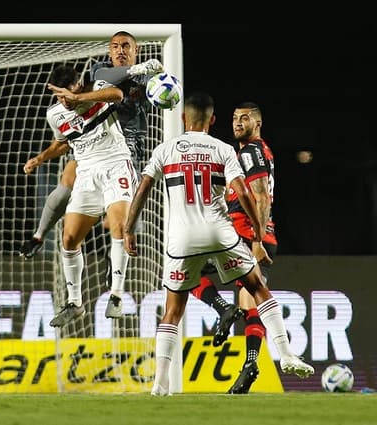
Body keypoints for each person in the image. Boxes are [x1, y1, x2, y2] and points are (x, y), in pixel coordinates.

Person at [123, 91, 314, 396]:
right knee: (258, 289)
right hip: (221, 234)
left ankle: (160, 384)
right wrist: (258, 235)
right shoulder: (224, 149)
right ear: (212, 120)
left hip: (181, 238)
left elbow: (143, 190)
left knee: (172, 311)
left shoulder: (165, 149)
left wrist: (128, 229)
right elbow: (247, 193)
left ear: (183, 118)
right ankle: (287, 353)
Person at [18, 30, 160, 260]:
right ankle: (38, 236)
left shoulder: (149, 78)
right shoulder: (99, 71)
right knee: (66, 182)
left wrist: (162, 84)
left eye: (125, 46)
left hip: (127, 146)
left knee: (116, 219)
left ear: (137, 50)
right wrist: (41, 157)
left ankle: (113, 258)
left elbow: (162, 94)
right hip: (92, 144)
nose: (120, 51)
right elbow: (110, 80)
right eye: (115, 46)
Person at [23, 64, 137, 324]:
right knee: (69, 238)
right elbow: (62, 143)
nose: (65, 101)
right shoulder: (55, 114)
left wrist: (78, 98)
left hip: (115, 164)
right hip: (86, 175)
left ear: (79, 85)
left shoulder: (97, 90)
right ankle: (74, 303)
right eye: (60, 97)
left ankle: (117, 295)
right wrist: (40, 158)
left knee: (119, 225)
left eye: (68, 94)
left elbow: (118, 95)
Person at [190, 101, 277, 394]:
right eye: (235, 118)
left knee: (186, 272)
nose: (238, 122)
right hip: (256, 237)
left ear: (258, 123)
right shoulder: (249, 152)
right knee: (250, 303)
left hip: (244, 237)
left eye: (246, 118)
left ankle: (221, 308)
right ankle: (250, 364)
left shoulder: (251, 151)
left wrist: (256, 240)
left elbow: (262, 196)